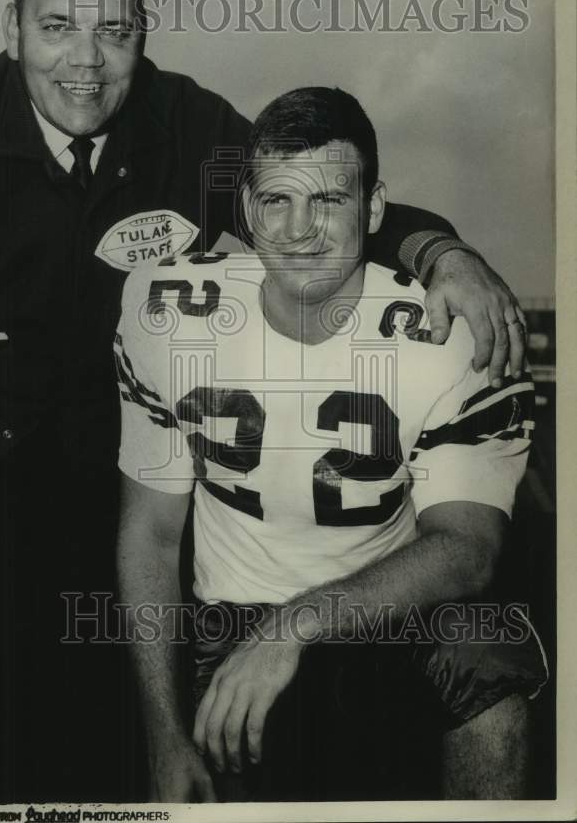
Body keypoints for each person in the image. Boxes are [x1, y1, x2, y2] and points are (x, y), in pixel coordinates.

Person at [0, 0, 528, 803]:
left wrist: (442, 251)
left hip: (123, 483)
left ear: (144, 33)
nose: (86, 61)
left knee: (130, 741)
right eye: (57, 26)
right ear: (11, 27)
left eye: (115, 31)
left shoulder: (188, 129)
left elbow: (313, 199)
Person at [115, 86, 547, 802]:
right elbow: (151, 535)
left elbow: (470, 548)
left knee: (488, 655)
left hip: (391, 611)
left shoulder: (449, 331)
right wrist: (164, 736)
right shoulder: (168, 314)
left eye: (329, 201)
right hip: (232, 618)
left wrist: (296, 627)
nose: (299, 228)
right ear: (248, 209)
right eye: (277, 201)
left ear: (374, 209)